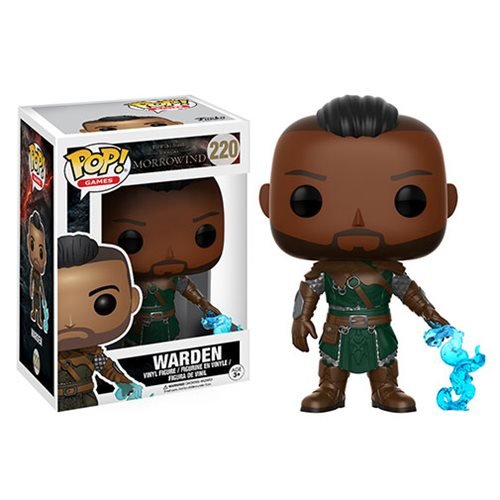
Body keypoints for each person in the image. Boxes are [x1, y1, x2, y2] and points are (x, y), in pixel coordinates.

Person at [260, 95, 458, 413]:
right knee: (333, 363)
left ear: (447, 202)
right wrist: (300, 318)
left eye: (408, 201)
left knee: (383, 361)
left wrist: (431, 315)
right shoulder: (324, 271)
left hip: (377, 328)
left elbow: (409, 293)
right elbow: (308, 290)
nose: (358, 221)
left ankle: (385, 388)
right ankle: (331, 388)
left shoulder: (390, 272)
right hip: (337, 328)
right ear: (268, 202)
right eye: (307, 201)